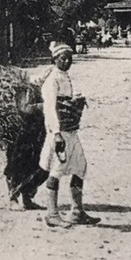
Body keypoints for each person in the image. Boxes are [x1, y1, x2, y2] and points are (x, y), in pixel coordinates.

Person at [40, 40, 97, 228]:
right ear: (55, 59)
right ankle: (52, 213)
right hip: (60, 132)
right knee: (56, 171)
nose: (66, 62)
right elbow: (50, 108)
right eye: (63, 58)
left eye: (69, 59)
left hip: (71, 131)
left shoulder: (65, 77)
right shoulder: (52, 80)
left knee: (80, 167)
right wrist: (56, 133)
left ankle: (77, 211)